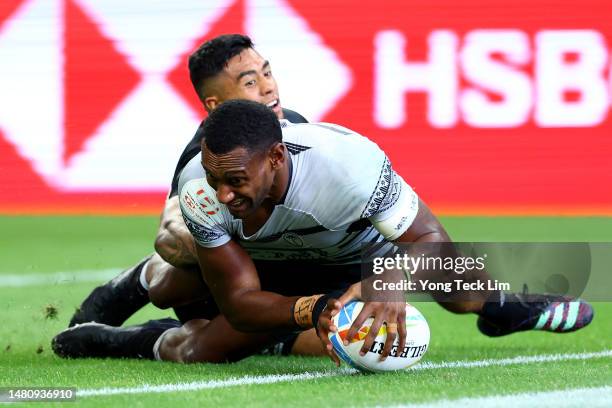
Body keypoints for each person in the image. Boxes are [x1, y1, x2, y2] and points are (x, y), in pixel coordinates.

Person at [52, 100, 594, 364]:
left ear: (277, 157)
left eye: (236, 180)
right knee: (202, 348)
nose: (223, 195)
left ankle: (501, 307)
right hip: (275, 269)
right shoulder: (201, 186)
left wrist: (388, 275)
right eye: (216, 178)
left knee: (455, 276)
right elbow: (240, 303)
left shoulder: (347, 165)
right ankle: (129, 341)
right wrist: (309, 309)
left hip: (360, 255)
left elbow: (431, 239)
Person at [68, 34, 321, 356]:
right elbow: (170, 235)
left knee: (342, 338)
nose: (269, 87)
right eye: (249, 82)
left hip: (290, 274)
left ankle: (252, 332)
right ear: (215, 104)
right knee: (186, 303)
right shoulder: (201, 162)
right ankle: (144, 293)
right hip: (224, 286)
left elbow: (402, 240)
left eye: (267, 74)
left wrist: (390, 295)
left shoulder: (318, 146)